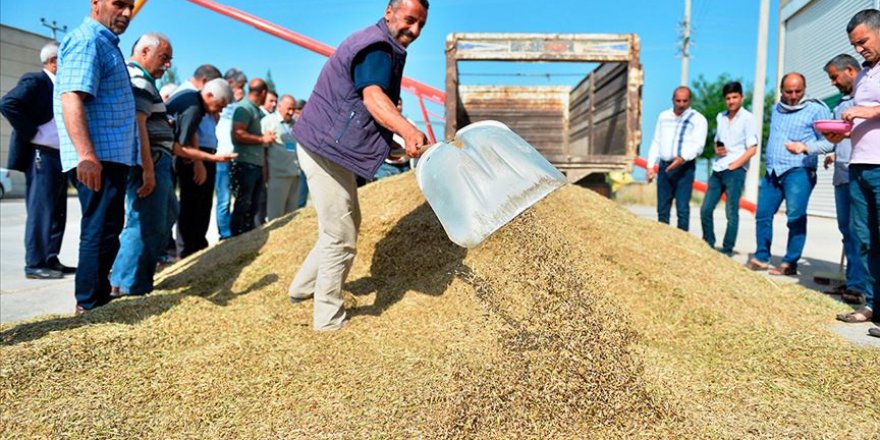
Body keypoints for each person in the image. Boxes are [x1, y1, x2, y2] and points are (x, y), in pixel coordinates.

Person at [289, 0, 430, 331]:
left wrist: (391, 147)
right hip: (323, 147)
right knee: (341, 233)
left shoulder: (379, 42)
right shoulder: (378, 47)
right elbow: (372, 98)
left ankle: (303, 288)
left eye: (421, 24)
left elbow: (364, 108)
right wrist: (408, 130)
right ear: (389, 12)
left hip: (326, 145)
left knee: (344, 223)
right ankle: (328, 319)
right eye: (410, 20)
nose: (415, 30)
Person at [110, 34, 236, 296]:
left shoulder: (153, 84)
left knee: (163, 216)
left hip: (156, 159)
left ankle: (129, 278)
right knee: (145, 222)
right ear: (144, 51)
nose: (167, 65)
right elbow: (140, 126)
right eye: (164, 58)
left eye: (170, 60)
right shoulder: (143, 81)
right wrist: (148, 169)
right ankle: (129, 285)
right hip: (153, 161)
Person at [56, 0, 138, 313]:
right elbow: (72, 98)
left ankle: (99, 297)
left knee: (108, 229)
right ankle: (88, 304)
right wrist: (86, 155)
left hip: (111, 156)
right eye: (119, 4)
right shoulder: (87, 40)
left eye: (130, 6)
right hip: (97, 158)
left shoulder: (105, 43)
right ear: (96, 4)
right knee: (98, 229)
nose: (127, 13)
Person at [787, 54, 874, 318]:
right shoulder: (842, 106)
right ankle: (856, 283)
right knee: (850, 232)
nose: (833, 82)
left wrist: (807, 147)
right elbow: (838, 139)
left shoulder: (865, 99)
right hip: (843, 173)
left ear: (850, 70)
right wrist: (830, 151)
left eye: (835, 77)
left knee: (864, 235)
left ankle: (862, 288)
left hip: (862, 171)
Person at [0, 41, 76, 280]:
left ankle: (50, 259)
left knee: (57, 211)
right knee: (41, 210)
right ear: (53, 62)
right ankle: (34, 264)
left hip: (58, 155)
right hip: (40, 154)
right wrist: (33, 132)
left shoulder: (60, 87)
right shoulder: (36, 81)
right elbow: (8, 104)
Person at [747, 73, 832, 276]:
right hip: (772, 171)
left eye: (798, 91)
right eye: (788, 91)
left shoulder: (816, 109)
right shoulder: (776, 108)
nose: (793, 96)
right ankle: (761, 257)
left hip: (799, 170)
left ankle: (790, 262)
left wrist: (805, 147)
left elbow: (830, 141)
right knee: (763, 214)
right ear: (781, 90)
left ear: (804, 88)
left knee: (795, 217)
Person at [829, 9, 880, 337]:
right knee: (865, 239)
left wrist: (869, 110)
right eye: (854, 44)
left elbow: (869, 112)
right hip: (858, 164)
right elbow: (860, 121)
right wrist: (840, 134)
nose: (859, 49)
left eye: (863, 41)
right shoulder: (862, 76)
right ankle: (873, 304)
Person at [169, 64, 223, 258]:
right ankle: (186, 251)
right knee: (191, 204)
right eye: (220, 103)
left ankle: (196, 247)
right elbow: (188, 134)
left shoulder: (197, 98)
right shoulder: (190, 99)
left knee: (201, 204)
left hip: (201, 154)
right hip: (192, 156)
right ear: (207, 84)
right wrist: (198, 161)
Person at [699, 81, 757, 256]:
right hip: (718, 168)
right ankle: (708, 243)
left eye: (734, 97)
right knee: (706, 209)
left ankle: (727, 249)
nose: (731, 101)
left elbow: (752, 148)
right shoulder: (720, 117)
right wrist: (717, 148)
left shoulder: (748, 118)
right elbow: (719, 139)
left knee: (731, 212)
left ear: (741, 97)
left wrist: (735, 165)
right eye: (728, 98)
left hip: (735, 170)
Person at [646, 86, 708, 231]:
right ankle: (662, 240)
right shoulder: (663, 117)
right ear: (672, 100)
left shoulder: (698, 119)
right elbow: (656, 141)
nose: (681, 104)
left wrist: (682, 158)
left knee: (682, 209)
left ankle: (682, 243)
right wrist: (650, 166)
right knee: (662, 208)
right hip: (664, 167)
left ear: (690, 101)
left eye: (685, 101)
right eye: (678, 100)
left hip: (684, 168)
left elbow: (699, 145)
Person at [229, 78, 275, 236]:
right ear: (263, 93)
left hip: (255, 164)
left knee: (253, 206)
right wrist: (262, 139)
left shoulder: (255, 110)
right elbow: (237, 134)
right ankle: (235, 240)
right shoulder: (244, 109)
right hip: (244, 164)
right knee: (243, 204)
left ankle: (247, 238)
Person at [215, 68, 247, 239]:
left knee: (239, 197)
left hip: (237, 156)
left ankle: (236, 230)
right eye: (238, 86)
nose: (241, 90)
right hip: (221, 156)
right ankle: (225, 234)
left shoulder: (240, 106)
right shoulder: (218, 102)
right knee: (224, 199)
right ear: (229, 84)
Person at [262, 94, 301, 220]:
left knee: (292, 215)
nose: (291, 112)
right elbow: (263, 148)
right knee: (276, 215)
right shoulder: (268, 122)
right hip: (277, 175)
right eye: (288, 109)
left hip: (295, 173)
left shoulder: (296, 124)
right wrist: (264, 171)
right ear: (279, 106)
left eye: (293, 109)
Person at [294, 98, 310, 208]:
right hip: (294, 165)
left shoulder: (309, 125)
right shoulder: (291, 125)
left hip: (306, 165)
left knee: (303, 195)